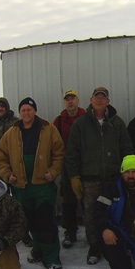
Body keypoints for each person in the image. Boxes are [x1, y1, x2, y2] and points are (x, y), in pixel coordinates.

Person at [65, 86, 134, 265]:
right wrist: (74, 177)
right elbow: (72, 153)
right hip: (90, 180)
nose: (100, 100)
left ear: (108, 102)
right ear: (91, 100)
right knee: (91, 214)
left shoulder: (117, 123)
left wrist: (128, 174)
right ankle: (95, 245)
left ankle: (117, 243)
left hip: (113, 179)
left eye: (103, 98)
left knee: (116, 212)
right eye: (97, 97)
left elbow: (127, 150)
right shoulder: (80, 124)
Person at [0, 97, 65, 269]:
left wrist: (53, 171)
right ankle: (38, 249)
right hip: (21, 186)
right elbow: (1, 157)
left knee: (46, 222)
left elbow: (59, 153)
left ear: (34, 111)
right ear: (20, 113)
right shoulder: (12, 132)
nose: (26, 113)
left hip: (42, 184)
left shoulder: (48, 129)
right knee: (30, 221)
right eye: (23, 110)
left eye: (29, 109)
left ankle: (51, 257)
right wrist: (8, 175)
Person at [52, 90, 84, 248]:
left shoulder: (87, 117)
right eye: (67, 99)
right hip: (68, 166)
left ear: (78, 100)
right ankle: (70, 231)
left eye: (73, 98)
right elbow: (54, 144)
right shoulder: (58, 121)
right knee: (69, 200)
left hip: (87, 164)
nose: (70, 102)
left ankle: (94, 232)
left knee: (89, 200)